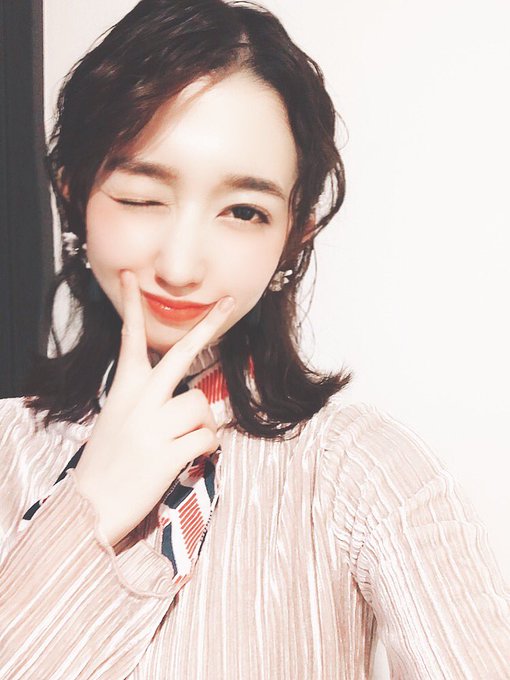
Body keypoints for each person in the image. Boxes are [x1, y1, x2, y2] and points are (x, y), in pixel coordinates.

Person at [0, 0, 509, 677]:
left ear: (294, 234)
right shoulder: (7, 451)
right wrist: (89, 505)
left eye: (244, 211)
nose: (181, 265)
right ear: (74, 195)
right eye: (141, 197)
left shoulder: (361, 472)